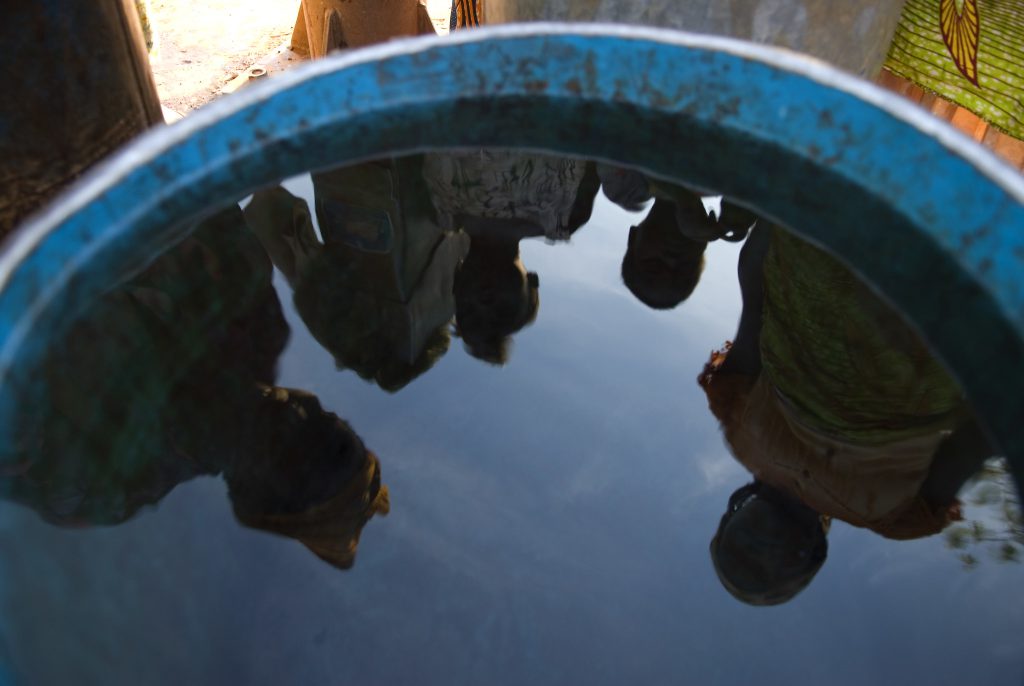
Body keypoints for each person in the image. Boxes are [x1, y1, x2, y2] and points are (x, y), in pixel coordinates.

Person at [0, 206, 389, 570]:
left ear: (252, 494)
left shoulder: (107, 483)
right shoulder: (254, 312)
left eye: (297, 454)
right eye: (322, 421)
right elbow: (178, 166)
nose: (298, 413)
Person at [700, 224, 994, 605]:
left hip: (834, 280)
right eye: (766, 567)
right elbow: (981, 437)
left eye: (741, 553)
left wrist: (779, 223)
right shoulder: (894, 518)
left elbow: (755, 309)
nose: (758, 552)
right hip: (919, 328)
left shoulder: (736, 425)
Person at [244, 156, 468, 391]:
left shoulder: (446, 305)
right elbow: (276, 224)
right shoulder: (349, 332)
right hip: (350, 162)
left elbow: (276, 223)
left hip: (377, 155)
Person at [422, 151, 600, 363]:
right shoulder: (568, 214)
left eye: (469, 310)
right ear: (532, 282)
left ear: (456, 282)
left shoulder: (436, 207)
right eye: (501, 313)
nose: (483, 300)